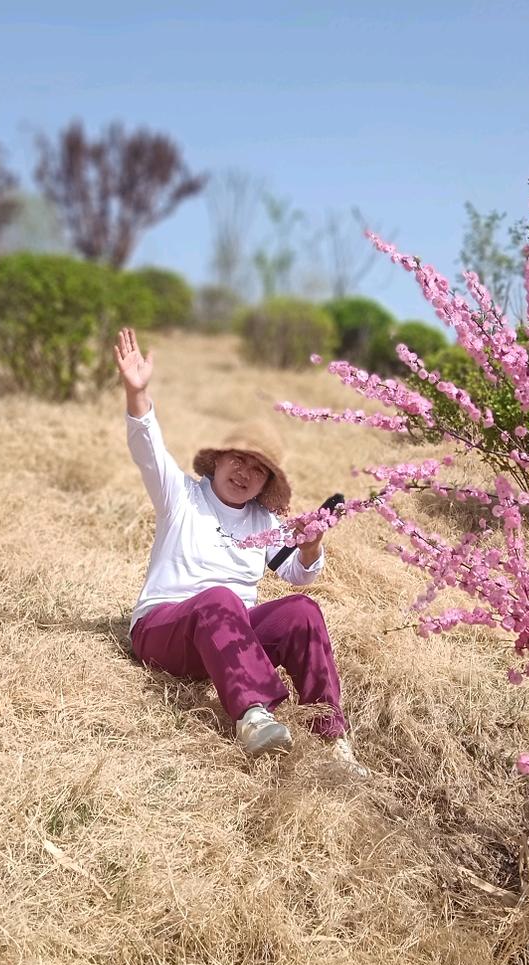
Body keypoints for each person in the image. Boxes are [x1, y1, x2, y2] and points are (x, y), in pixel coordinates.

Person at [115, 327, 367, 777]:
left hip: (229, 642)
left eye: (258, 470)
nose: (244, 473)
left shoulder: (263, 523)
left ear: (266, 484)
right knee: (221, 597)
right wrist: (138, 394)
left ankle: (332, 737)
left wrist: (311, 546)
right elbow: (148, 449)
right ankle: (253, 716)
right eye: (238, 460)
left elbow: (298, 574)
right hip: (164, 628)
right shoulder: (182, 496)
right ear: (219, 460)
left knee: (303, 611)